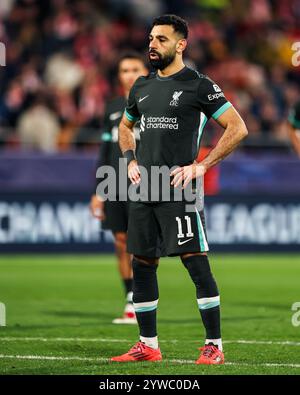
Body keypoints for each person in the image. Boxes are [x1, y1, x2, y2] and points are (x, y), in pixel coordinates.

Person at [112, 14, 248, 364]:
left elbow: (237, 127)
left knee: (196, 265)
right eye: (151, 38)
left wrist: (201, 166)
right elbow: (125, 128)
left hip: (180, 190)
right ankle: (148, 345)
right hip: (145, 190)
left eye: (160, 39)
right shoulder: (141, 86)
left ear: (181, 44)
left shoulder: (199, 85)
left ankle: (214, 346)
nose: (152, 44)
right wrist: (129, 158)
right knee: (142, 263)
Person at [90, 53, 147, 324]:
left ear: (145, 71)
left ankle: (144, 299)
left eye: (135, 68)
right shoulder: (112, 107)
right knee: (121, 241)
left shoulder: (154, 103)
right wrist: (98, 191)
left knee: (142, 244)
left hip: (146, 182)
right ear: (119, 75)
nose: (129, 74)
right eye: (124, 70)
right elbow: (105, 150)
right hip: (113, 182)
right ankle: (130, 298)